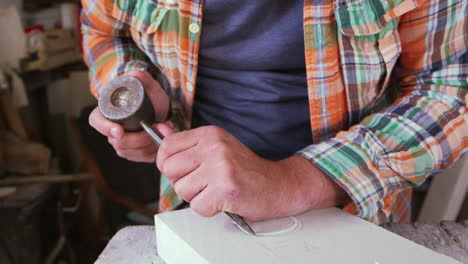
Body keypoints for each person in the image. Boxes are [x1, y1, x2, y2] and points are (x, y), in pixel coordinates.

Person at [81, 0, 467, 224]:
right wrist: (136, 85)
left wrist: (299, 180)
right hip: (195, 212)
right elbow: (101, 30)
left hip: (360, 214)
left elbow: (450, 87)